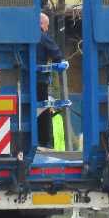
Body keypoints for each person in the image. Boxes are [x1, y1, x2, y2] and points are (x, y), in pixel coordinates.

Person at [36, 11, 64, 150]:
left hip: (23, 81)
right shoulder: (43, 37)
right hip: (40, 81)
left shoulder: (25, 36)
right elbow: (56, 53)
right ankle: (44, 142)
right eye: (46, 26)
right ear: (41, 24)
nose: (47, 29)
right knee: (43, 110)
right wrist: (59, 62)